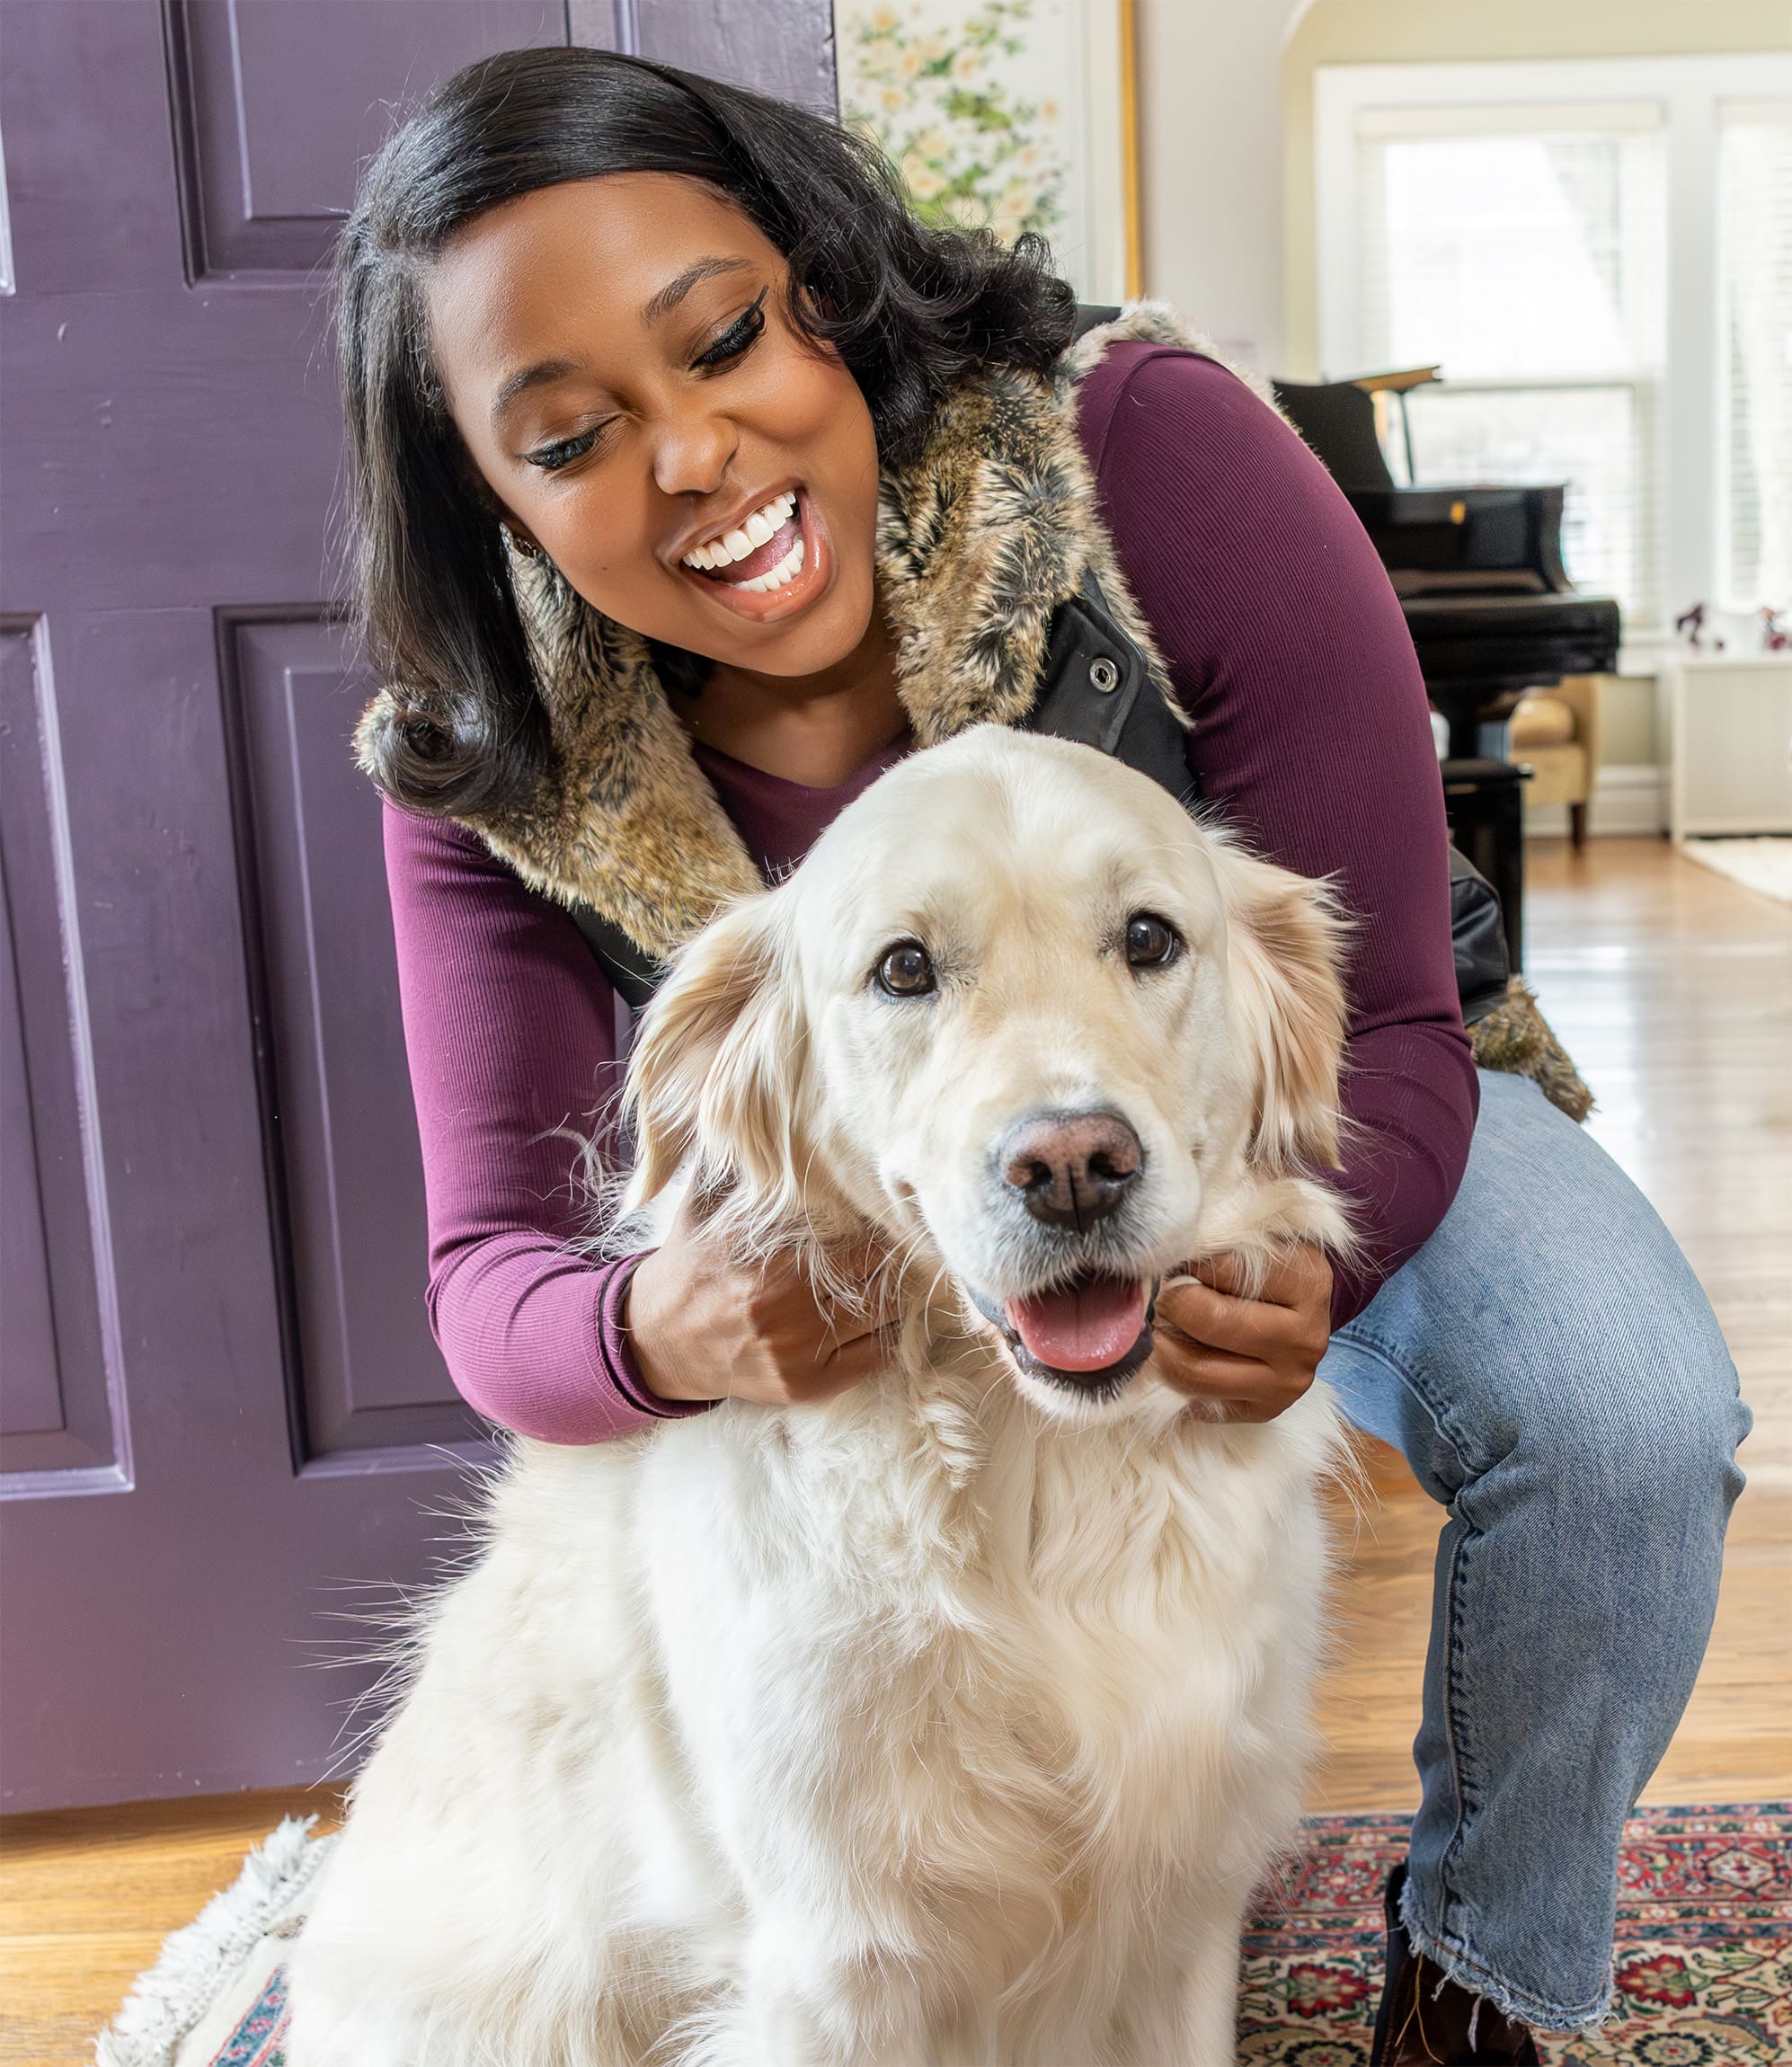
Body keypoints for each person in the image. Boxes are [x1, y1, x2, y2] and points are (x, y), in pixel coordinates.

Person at [335, 47, 1746, 2064]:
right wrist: (670, 1322)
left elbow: (1386, 1006)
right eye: (570, 438)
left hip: (1300, 1098)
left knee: (1617, 1409)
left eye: (724, 339)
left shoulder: (1139, 453)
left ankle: (1478, 1980)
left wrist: (1311, 1267)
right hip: (863, 1228)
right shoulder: (482, 749)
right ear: (491, 490)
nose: (695, 459)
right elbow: (493, 1286)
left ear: (817, 285)